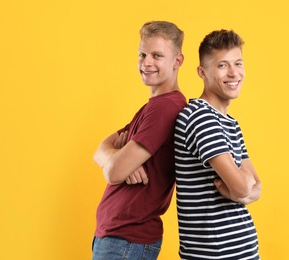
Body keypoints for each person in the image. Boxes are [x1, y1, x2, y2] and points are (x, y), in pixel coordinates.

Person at [92, 21, 186, 260]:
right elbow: (100, 150)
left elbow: (113, 173)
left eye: (157, 55)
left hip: (127, 241)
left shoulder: (166, 108)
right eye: (142, 54)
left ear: (177, 61)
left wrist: (120, 163)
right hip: (117, 238)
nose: (146, 62)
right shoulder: (151, 107)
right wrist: (120, 159)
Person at [174, 29, 261, 259]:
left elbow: (257, 186)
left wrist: (239, 188)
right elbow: (244, 187)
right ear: (202, 72)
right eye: (222, 65)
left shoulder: (231, 123)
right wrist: (241, 187)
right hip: (213, 255)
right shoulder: (200, 116)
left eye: (238, 63)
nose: (234, 73)